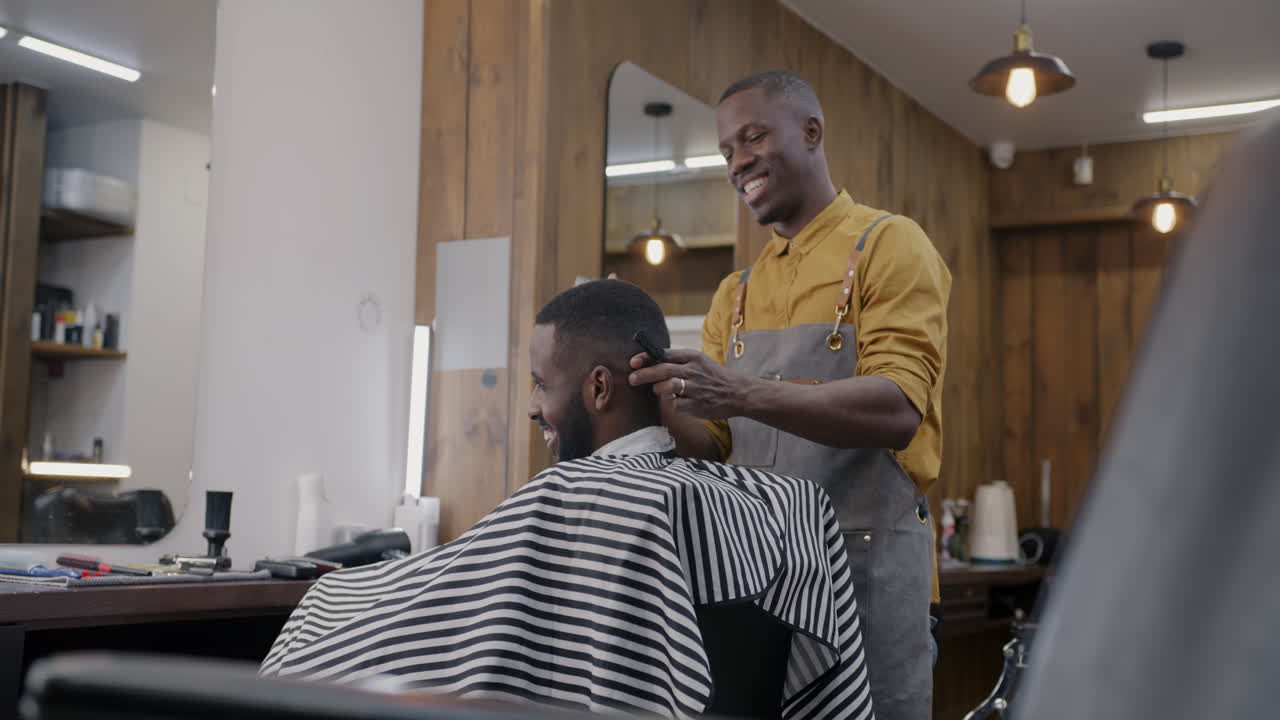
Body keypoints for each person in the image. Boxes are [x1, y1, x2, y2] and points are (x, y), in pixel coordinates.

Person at [262, 280, 874, 720]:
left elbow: (420, 624)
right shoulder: (786, 501)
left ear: (599, 387)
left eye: (539, 384)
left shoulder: (573, 499)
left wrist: (332, 591)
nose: (531, 406)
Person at [628, 69, 951, 720]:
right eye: (725, 151)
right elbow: (713, 444)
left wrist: (743, 392)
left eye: (751, 138)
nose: (737, 162)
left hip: (868, 577)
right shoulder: (736, 292)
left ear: (811, 132)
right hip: (758, 581)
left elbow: (897, 408)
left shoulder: (889, 246)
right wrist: (655, 392)